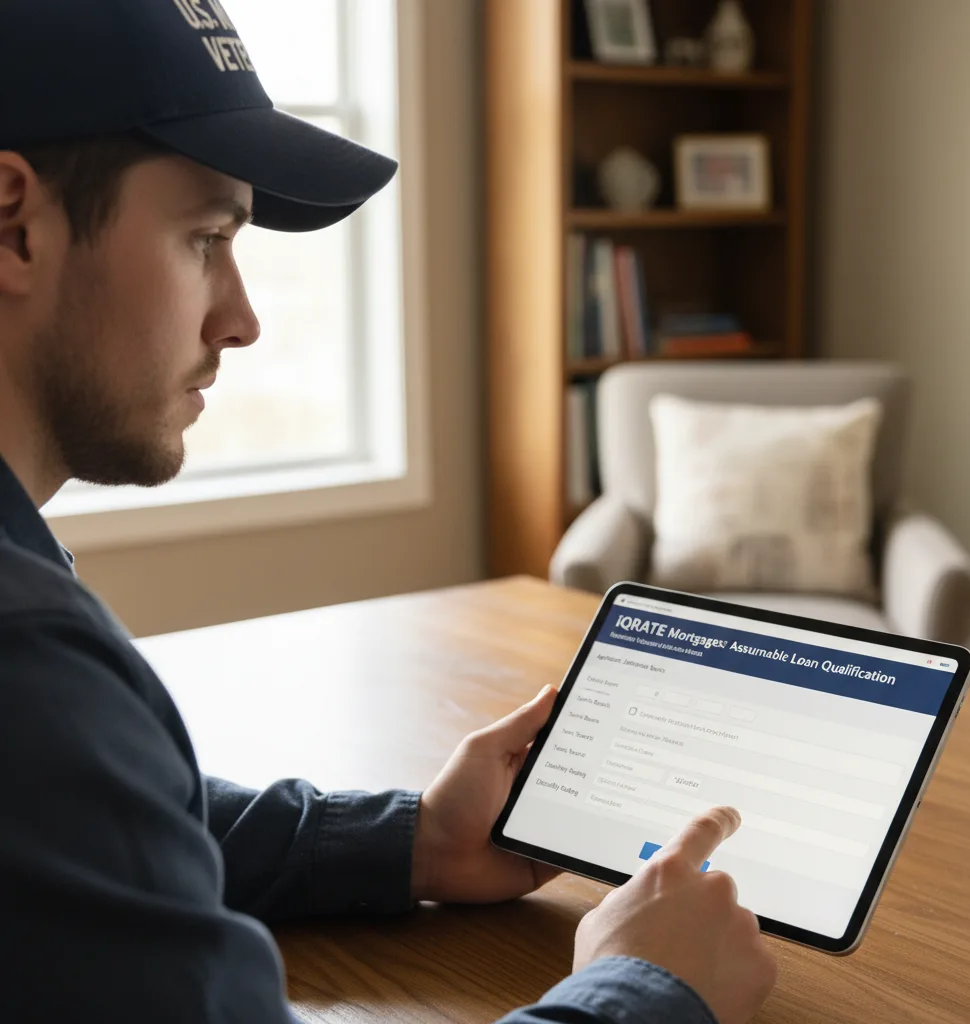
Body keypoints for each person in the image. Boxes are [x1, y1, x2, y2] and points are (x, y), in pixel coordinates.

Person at [0, 3, 777, 1022]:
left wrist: (411, 841)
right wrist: (647, 985)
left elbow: (90, 833)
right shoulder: (27, 664)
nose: (242, 319)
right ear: (14, 223)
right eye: (205, 238)